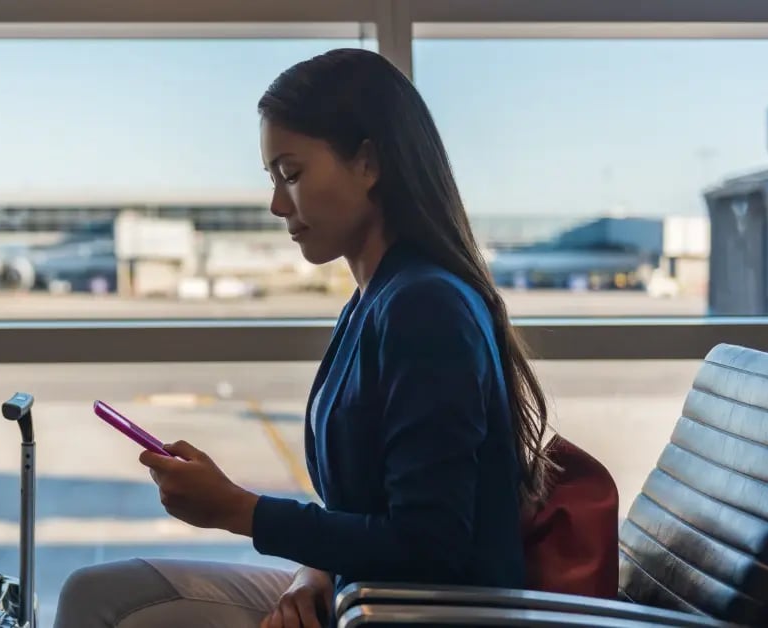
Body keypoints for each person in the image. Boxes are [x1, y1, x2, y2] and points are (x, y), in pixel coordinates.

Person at [52, 47, 554, 628]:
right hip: (359, 597)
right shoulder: (374, 301)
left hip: (408, 614)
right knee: (98, 594)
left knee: (101, 602)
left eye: (291, 174)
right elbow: (374, 513)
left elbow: (430, 546)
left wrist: (241, 511)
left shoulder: (425, 307)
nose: (274, 204)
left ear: (368, 162)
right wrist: (312, 569)